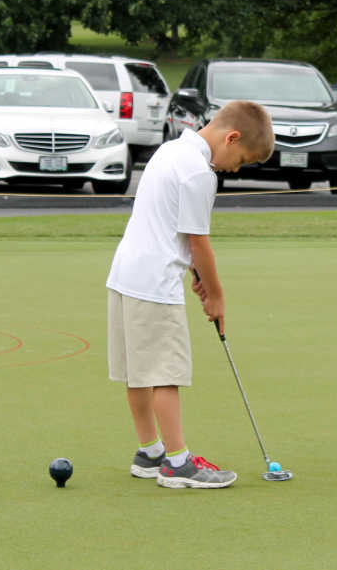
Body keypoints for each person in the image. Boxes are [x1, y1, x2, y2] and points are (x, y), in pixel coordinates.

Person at [106, 101, 274, 488]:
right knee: (165, 374)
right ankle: (178, 463)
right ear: (231, 138)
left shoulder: (169, 151)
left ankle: (150, 452)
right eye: (242, 159)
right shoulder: (199, 172)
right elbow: (198, 242)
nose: (235, 169)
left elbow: (170, 224)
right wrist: (216, 295)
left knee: (139, 373)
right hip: (156, 284)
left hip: (125, 275)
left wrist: (195, 273)